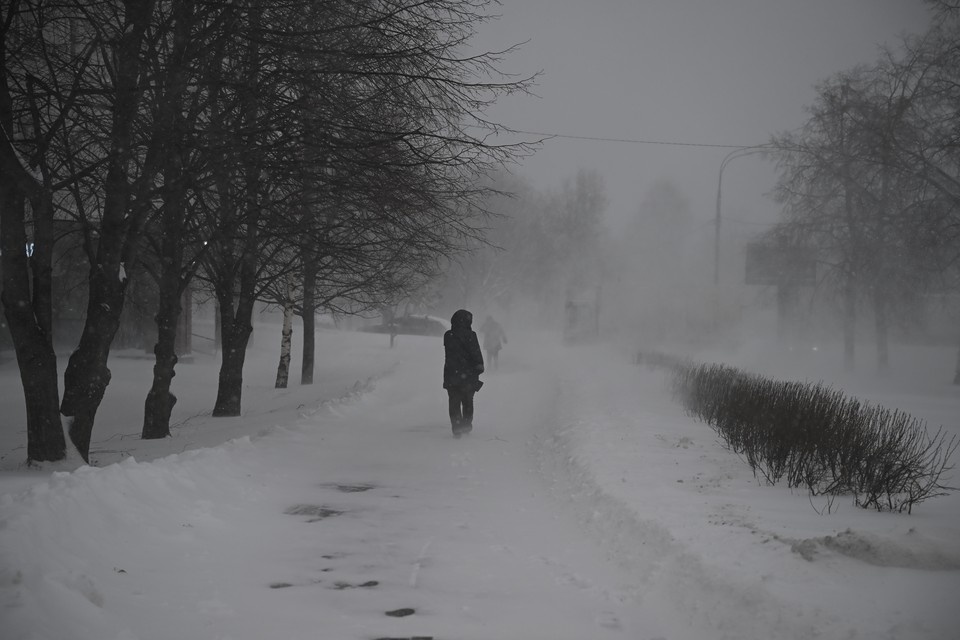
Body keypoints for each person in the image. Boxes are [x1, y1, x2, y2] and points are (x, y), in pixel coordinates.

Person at [442, 309, 484, 437]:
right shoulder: (471, 335)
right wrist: (479, 367)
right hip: (468, 375)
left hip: (451, 374)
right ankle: (466, 425)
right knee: (467, 401)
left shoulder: (448, 335)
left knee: (454, 402)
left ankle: (456, 427)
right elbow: (476, 353)